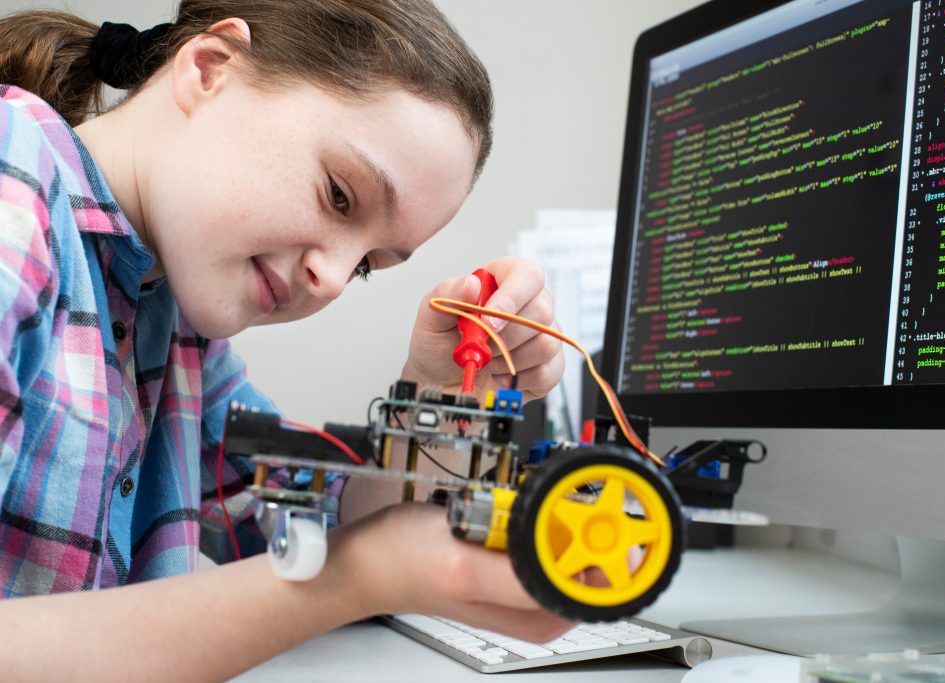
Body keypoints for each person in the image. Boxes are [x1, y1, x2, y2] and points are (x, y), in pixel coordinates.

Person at [0, 1, 570, 680]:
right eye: (338, 195)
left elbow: (311, 520)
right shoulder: (15, 185)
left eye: (365, 264)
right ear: (211, 68)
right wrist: (361, 574)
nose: (329, 279)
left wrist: (439, 393)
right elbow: (349, 557)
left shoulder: (169, 313)